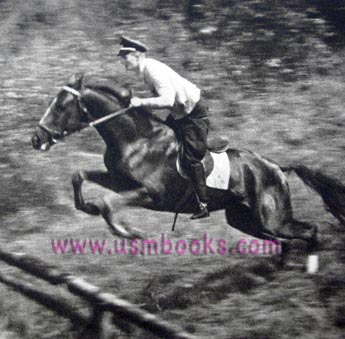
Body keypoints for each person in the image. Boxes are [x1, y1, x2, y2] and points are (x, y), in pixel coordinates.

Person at [118, 36, 210, 220]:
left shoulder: (151, 69)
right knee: (160, 141)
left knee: (191, 157)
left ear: (137, 55)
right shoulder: (146, 70)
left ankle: (203, 203)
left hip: (192, 114)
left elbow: (167, 100)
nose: (122, 60)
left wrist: (141, 102)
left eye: (125, 56)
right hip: (181, 113)